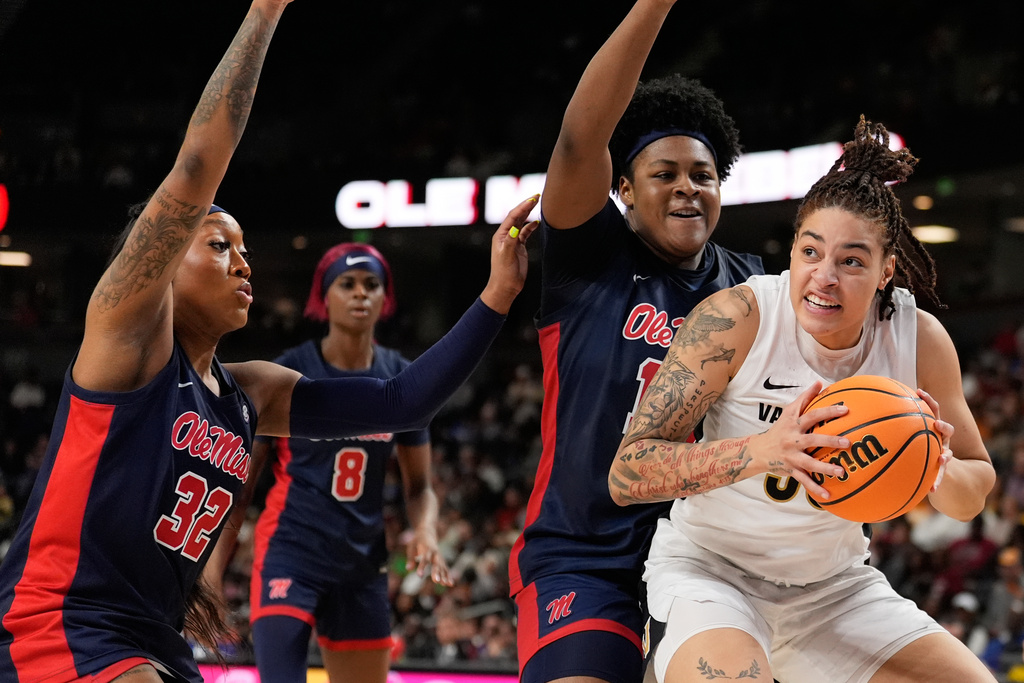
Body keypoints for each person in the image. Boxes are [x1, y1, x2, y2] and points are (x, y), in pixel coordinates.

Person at [0, 0, 539, 679]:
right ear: (163, 263)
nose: (244, 261)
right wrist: (264, 11)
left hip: (152, 637)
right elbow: (196, 167)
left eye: (246, 248)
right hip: (59, 619)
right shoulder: (128, 335)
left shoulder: (252, 390)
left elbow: (402, 404)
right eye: (220, 244)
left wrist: (498, 295)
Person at [610, 116, 997, 683]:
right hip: (713, 574)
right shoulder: (736, 319)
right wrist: (765, 450)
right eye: (811, 251)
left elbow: (973, 492)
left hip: (834, 588)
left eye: (852, 260)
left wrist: (933, 467)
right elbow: (628, 472)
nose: (824, 277)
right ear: (791, 250)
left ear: (886, 270)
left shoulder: (917, 339)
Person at [507, 2, 763, 683]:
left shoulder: (754, 287)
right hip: (585, 552)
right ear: (621, 188)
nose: (687, 187)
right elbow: (577, 140)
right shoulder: (591, 257)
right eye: (665, 173)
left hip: (705, 551)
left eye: (702, 176)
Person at [237, 242, 454, 682]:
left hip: (362, 563)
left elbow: (419, 487)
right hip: (290, 551)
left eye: (372, 285)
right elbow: (242, 483)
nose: (361, 294)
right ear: (323, 297)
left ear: (385, 299)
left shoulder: (401, 376)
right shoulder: (288, 370)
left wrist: (426, 530)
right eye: (347, 283)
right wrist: (211, 571)